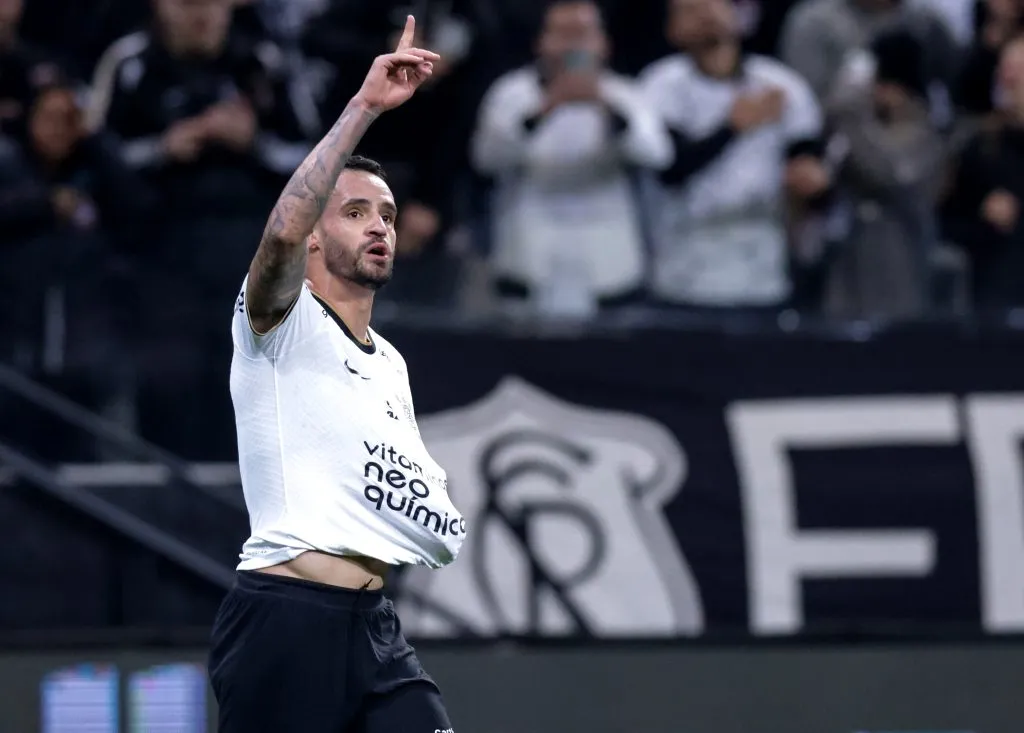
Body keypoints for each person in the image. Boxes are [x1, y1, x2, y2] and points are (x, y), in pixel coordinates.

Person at [207, 16, 465, 733]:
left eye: (385, 212)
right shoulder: (277, 323)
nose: (380, 224)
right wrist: (364, 108)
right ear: (317, 233)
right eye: (355, 211)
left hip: (374, 621)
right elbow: (282, 232)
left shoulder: (391, 362)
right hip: (284, 620)